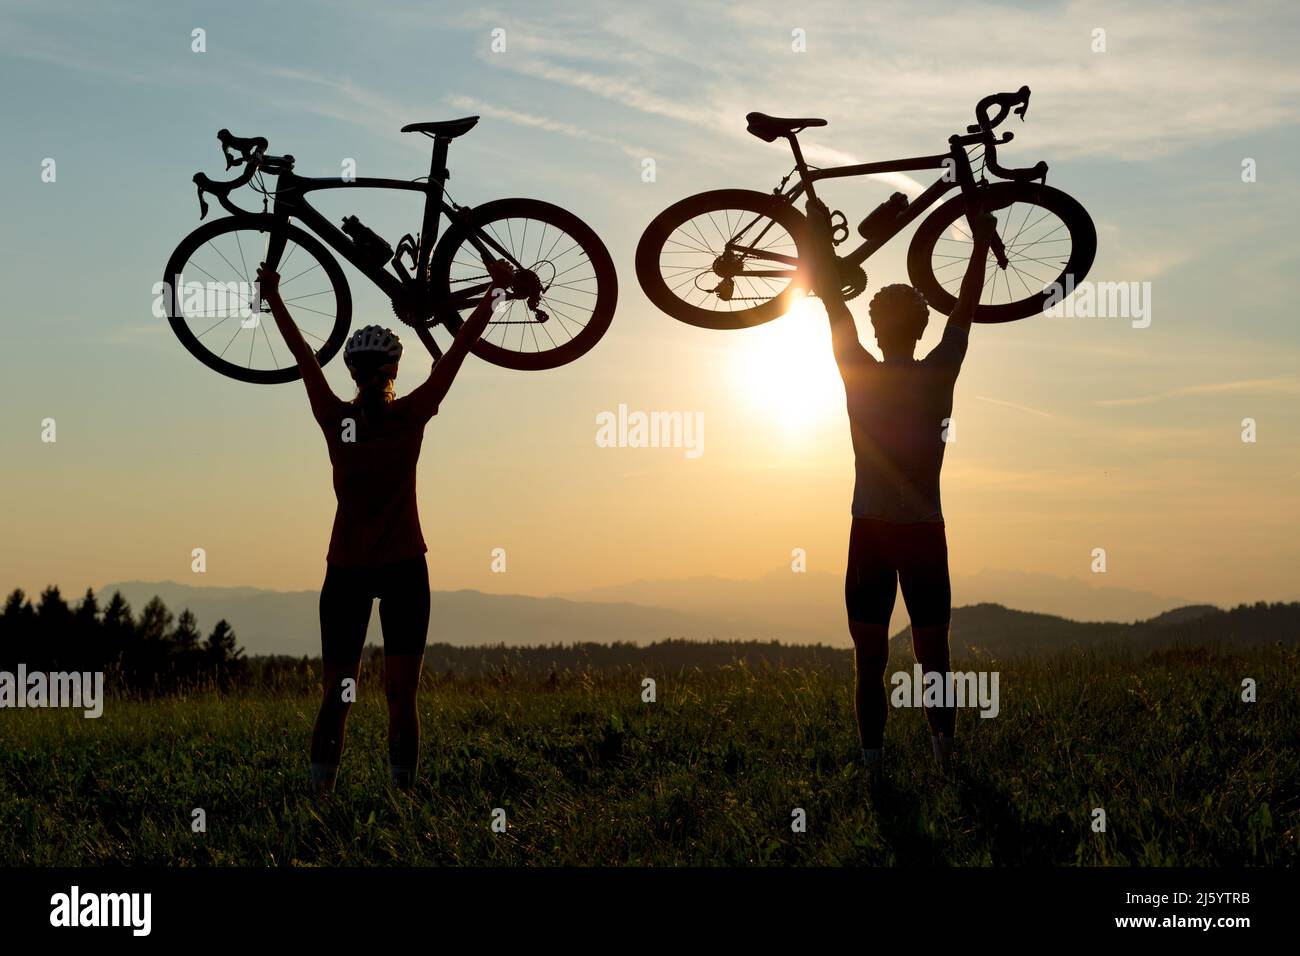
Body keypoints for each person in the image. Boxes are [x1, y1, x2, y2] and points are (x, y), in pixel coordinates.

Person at [257, 260, 512, 796]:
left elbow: (303, 356)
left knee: (339, 693)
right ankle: (398, 801)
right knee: (400, 694)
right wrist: (492, 292)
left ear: (354, 372)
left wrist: (275, 297)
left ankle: (321, 798)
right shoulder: (409, 413)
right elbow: (459, 351)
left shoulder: (338, 417)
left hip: (349, 569)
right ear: (393, 370)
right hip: (400, 569)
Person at [803, 197, 997, 784]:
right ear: (921, 328)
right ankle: (945, 763)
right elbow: (966, 309)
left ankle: (874, 771)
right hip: (924, 533)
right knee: (933, 655)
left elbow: (834, 305)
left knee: (869, 659)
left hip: (868, 531)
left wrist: (815, 238)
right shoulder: (942, 371)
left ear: (876, 329)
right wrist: (982, 244)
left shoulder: (856, 369)